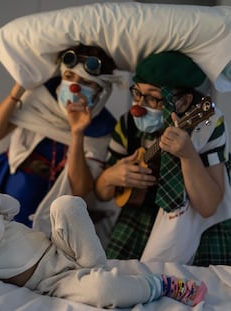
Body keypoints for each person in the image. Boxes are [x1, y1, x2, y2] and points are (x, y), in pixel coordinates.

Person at [0, 166, 207, 308]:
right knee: (104, 290)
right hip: (51, 280)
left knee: (66, 203)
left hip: (57, 247)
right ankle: (162, 285)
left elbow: (12, 207)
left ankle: (95, 266)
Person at [94, 51, 231, 266]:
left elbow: (208, 207)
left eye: (153, 98)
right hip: (137, 221)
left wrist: (188, 156)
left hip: (196, 227)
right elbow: (101, 193)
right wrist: (111, 176)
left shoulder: (207, 125)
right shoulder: (128, 125)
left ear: (185, 101)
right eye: (137, 94)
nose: (138, 107)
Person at [0, 44, 122, 242]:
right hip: (7, 186)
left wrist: (77, 132)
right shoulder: (39, 99)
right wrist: (20, 87)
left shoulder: (102, 128)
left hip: (52, 209)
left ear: (100, 91)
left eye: (86, 82)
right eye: (69, 77)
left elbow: (80, 190)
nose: (74, 87)